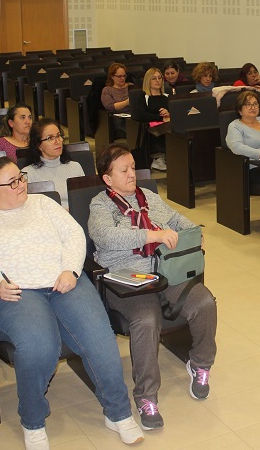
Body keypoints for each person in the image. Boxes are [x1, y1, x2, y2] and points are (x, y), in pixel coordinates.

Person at [0, 157, 144, 449]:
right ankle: (33, 420)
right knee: (40, 345)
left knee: (100, 338)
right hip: (17, 293)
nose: (21, 185)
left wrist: (71, 269)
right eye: (12, 182)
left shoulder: (43, 204)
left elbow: (74, 235)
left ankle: (118, 412)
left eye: (22, 177)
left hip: (64, 282)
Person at [89, 144, 217, 431]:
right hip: (129, 279)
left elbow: (175, 218)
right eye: (124, 170)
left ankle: (200, 363)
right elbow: (106, 237)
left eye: (133, 167)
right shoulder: (99, 205)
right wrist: (152, 234)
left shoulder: (147, 196)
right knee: (147, 320)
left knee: (204, 302)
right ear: (107, 178)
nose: (132, 174)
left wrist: (192, 233)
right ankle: (146, 397)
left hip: (164, 272)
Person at [225, 91, 260, 248]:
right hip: (254, 168)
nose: (252, 107)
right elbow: (236, 146)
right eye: (248, 104)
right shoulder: (235, 126)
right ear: (239, 109)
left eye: (255, 104)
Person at [21, 119, 84, 209]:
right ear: (38, 145)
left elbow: (83, 200)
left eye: (58, 136)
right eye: (50, 138)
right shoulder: (27, 173)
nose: (58, 141)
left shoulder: (75, 167)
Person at [130, 68, 170, 171]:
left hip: (168, 124)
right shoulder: (143, 97)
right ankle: (158, 158)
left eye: (160, 78)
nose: (158, 81)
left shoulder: (167, 96)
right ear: (148, 81)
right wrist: (161, 117)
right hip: (151, 127)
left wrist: (168, 113)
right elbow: (141, 115)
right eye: (154, 78)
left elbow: (176, 111)